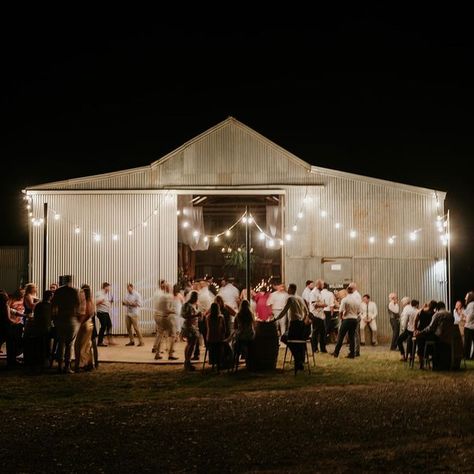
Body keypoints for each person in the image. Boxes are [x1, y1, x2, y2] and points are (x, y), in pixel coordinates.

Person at [272, 283, 309, 372]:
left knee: (285, 339)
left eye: (288, 289)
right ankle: (299, 362)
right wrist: (303, 319)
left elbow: (284, 310)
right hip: (300, 323)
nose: (287, 290)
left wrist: (276, 318)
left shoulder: (290, 298)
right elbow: (306, 311)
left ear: (292, 289)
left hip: (294, 323)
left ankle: (298, 360)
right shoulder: (300, 298)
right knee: (298, 343)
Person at [51, 275, 80, 374]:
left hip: (60, 318)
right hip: (71, 318)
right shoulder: (74, 291)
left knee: (61, 343)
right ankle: (67, 366)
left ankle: (59, 365)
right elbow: (78, 306)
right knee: (70, 344)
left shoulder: (58, 292)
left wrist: (54, 319)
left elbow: (53, 306)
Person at [23, 290, 53, 371]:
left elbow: (35, 316)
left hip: (38, 328)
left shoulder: (39, 305)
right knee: (47, 344)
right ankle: (46, 360)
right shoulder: (50, 306)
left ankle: (39, 360)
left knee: (40, 344)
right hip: (46, 328)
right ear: (50, 297)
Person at [332, 283, 360, 358]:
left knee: (340, 336)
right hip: (354, 320)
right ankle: (352, 354)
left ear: (347, 291)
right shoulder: (356, 301)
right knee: (352, 337)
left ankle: (336, 353)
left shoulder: (345, 299)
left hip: (347, 319)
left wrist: (341, 318)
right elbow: (359, 311)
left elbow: (340, 310)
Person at [153, 282, 178, 360]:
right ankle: (170, 354)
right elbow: (167, 309)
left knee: (160, 335)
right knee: (174, 335)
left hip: (158, 316)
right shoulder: (169, 296)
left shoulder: (161, 296)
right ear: (169, 288)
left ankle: (157, 354)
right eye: (170, 287)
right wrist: (174, 311)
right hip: (165, 317)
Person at [74, 284, 95, 372]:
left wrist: (79, 323)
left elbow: (86, 313)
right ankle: (89, 363)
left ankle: (81, 364)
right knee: (87, 345)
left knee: (79, 345)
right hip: (89, 323)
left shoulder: (85, 301)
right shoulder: (91, 301)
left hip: (84, 324)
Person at [181, 291, 200, 371]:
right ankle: (187, 361)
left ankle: (187, 361)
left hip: (189, 326)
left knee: (189, 344)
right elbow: (187, 316)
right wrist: (197, 315)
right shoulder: (189, 306)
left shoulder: (187, 305)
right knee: (191, 344)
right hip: (190, 327)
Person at [205, 302, 225, 371]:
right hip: (218, 338)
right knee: (220, 348)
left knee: (212, 349)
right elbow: (224, 329)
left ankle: (213, 363)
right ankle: (219, 364)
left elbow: (207, 328)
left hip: (210, 338)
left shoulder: (208, 317)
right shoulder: (221, 317)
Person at [309, 279, 327, 353]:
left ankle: (323, 349)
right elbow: (314, 304)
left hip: (321, 315)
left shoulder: (320, 292)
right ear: (318, 285)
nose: (323, 286)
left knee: (323, 332)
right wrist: (323, 304)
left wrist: (322, 304)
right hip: (315, 315)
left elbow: (320, 302)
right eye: (322, 284)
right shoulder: (313, 293)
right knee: (315, 332)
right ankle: (315, 349)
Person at [95, 282, 115, 347]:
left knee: (109, 325)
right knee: (103, 326)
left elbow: (105, 302)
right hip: (101, 312)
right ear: (105, 287)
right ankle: (99, 342)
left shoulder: (105, 294)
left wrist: (109, 302)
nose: (109, 289)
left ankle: (109, 340)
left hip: (106, 312)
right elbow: (96, 302)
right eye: (109, 287)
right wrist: (101, 302)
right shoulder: (99, 293)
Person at [463, 292, 474, 360]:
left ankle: (466, 356)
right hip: (472, 326)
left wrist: (466, 319)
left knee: (467, 343)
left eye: (466, 296)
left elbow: (470, 315)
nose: (465, 298)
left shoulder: (470, 304)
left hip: (469, 327)